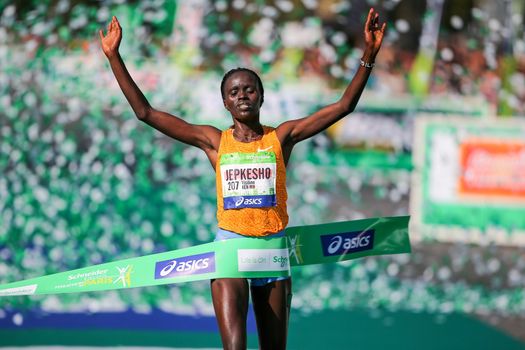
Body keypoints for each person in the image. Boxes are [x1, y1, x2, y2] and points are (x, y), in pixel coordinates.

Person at [100, 8, 385, 350]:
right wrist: (114, 57)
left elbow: (343, 107)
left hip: (273, 254)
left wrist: (368, 55)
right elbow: (146, 113)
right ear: (225, 103)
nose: (243, 96)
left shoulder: (281, 138)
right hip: (230, 252)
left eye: (249, 90)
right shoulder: (214, 142)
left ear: (261, 97)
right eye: (234, 92)